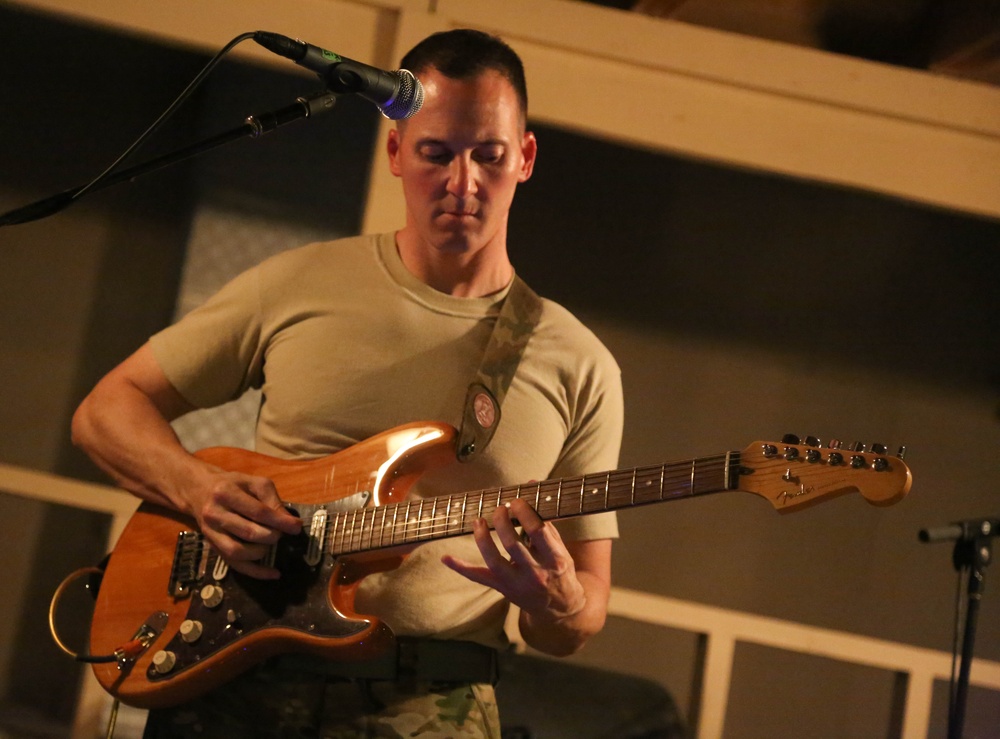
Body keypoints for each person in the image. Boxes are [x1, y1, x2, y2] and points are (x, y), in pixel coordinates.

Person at [72, 28, 623, 737]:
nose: (464, 182)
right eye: (436, 152)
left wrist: (555, 600)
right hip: (239, 669)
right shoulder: (299, 281)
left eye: (489, 155)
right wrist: (196, 488)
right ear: (395, 150)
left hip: (431, 701)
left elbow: (582, 615)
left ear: (525, 157)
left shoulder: (579, 362)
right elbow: (106, 411)